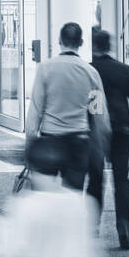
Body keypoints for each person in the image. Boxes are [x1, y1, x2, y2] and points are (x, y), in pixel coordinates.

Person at [25, 22, 111, 193]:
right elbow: (98, 114)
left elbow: (35, 109)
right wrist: (103, 144)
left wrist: (30, 144)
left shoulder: (46, 68)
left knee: (44, 193)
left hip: (50, 139)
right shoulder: (90, 72)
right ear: (81, 43)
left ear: (59, 40)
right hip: (78, 141)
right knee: (73, 195)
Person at [88, 28, 129, 250]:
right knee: (122, 181)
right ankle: (124, 229)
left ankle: (92, 228)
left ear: (93, 46)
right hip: (122, 128)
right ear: (109, 46)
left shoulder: (89, 70)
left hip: (96, 129)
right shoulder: (124, 70)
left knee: (94, 179)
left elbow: (86, 103)